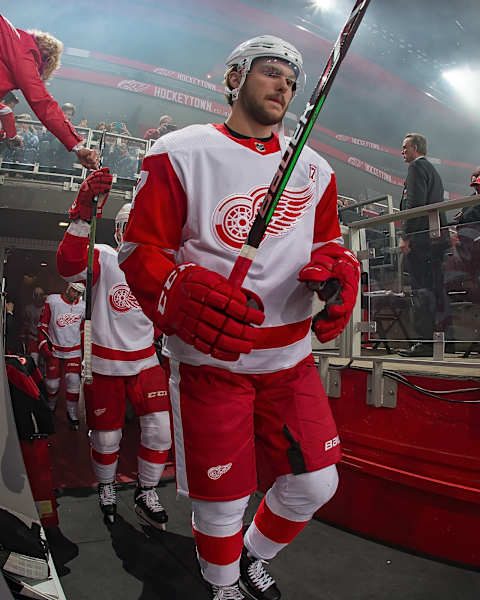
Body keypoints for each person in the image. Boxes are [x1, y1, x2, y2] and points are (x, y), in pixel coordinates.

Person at [119, 35, 360, 600]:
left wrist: (339, 271)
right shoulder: (179, 151)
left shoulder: (316, 168)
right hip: (211, 362)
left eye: (292, 81)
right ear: (234, 78)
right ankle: (223, 585)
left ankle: (251, 554)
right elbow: (140, 250)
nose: (284, 87)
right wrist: (173, 287)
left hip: (291, 360)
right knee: (221, 497)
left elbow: (331, 243)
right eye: (271, 72)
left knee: (316, 483)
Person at [56, 169, 171, 528]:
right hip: (104, 362)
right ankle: (106, 486)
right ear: (119, 230)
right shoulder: (104, 256)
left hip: (145, 360)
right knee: (107, 437)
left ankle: (146, 490)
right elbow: (67, 265)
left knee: (160, 430)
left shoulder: (159, 263)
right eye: (127, 226)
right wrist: (81, 216)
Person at [0, 14, 98, 169]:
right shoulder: (25, 54)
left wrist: (9, 135)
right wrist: (77, 146)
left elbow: (4, 110)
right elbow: (42, 103)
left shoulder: (13, 41)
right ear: (48, 62)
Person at [397, 133, 452, 357]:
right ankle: (444, 341)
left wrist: (407, 235)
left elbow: (416, 205)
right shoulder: (432, 171)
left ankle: (424, 343)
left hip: (422, 240)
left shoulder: (417, 168)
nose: (402, 151)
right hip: (434, 240)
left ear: (416, 148)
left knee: (422, 291)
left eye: (405, 147)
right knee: (435, 291)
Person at [37, 282, 85, 430]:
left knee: (73, 383)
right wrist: (44, 343)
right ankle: (50, 407)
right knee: (52, 385)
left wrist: (86, 351)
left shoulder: (83, 307)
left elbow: (83, 329)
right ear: (68, 288)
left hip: (74, 350)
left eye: (79, 293)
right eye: (74, 291)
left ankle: (72, 414)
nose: (76, 295)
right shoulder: (52, 300)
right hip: (55, 348)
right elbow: (43, 324)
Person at [20, 286, 46, 365]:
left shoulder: (46, 308)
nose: (38, 297)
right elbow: (25, 323)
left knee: (45, 362)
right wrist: (23, 336)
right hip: (33, 338)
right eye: (37, 295)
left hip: (44, 339)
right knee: (34, 361)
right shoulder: (28, 309)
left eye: (40, 295)